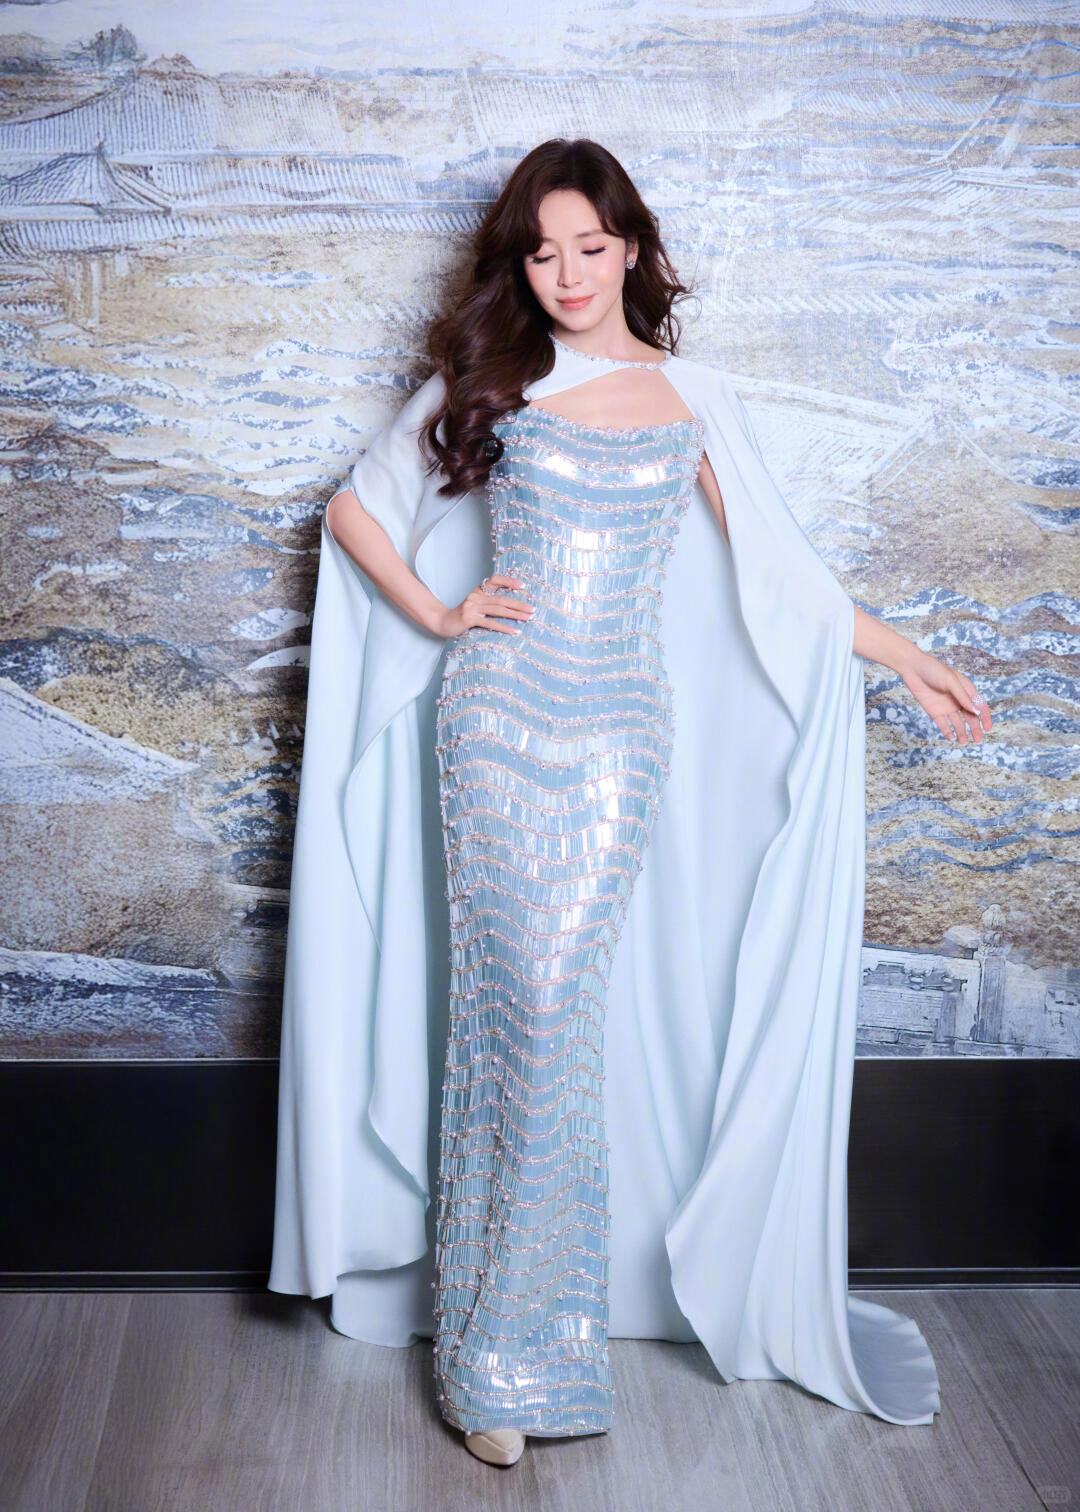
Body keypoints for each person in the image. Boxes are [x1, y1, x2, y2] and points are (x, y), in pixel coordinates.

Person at [268, 138, 992, 1469]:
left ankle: (535, 1340)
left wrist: (907, 658)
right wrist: (439, 613)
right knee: (515, 1018)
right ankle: (488, 1362)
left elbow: (782, 577)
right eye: (543, 253)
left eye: (589, 249)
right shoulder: (497, 377)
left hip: (617, 745)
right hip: (495, 727)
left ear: (634, 251)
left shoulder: (690, 396)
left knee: (558, 1025)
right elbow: (354, 511)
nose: (566, 275)